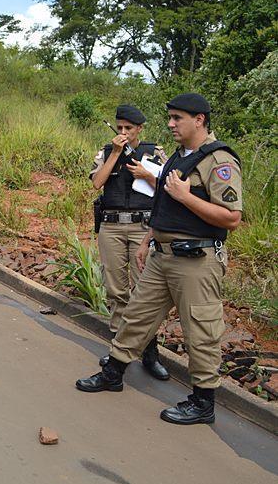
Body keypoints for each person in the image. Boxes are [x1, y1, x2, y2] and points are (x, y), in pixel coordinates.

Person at [76, 93, 243, 425]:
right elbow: (164, 205)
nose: (170, 124)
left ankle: (203, 400)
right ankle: (114, 372)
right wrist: (149, 239)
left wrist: (184, 196)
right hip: (161, 254)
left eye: (177, 118)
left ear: (199, 120)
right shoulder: (179, 157)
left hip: (196, 259)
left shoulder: (219, 160)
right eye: (170, 117)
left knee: (200, 328)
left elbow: (230, 217)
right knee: (136, 315)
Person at [89, 105, 169, 380]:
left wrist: (147, 175)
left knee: (145, 293)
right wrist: (114, 154)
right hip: (111, 225)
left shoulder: (154, 152)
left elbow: (172, 189)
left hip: (142, 227)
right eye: (119, 127)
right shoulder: (105, 151)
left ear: (139, 129)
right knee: (116, 290)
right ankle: (118, 349)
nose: (123, 132)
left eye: (128, 128)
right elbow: (97, 182)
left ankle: (149, 352)